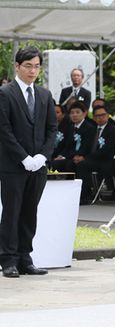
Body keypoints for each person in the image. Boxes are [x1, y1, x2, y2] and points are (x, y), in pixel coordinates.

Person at [0, 47, 57, 278]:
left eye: (36, 66)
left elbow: (52, 129)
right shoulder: (5, 93)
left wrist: (42, 156)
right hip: (13, 165)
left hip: (38, 166)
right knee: (12, 211)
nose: (33, 70)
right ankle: (8, 259)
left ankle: (25, 257)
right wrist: (23, 157)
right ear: (17, 66)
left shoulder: (44, 95)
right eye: (28, 66)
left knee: (30, 212)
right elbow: (4, 130)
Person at [75, 106, 115, 204]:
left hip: (106, 160)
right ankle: (82, 194)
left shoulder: (112, 130)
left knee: (83, 165)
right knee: (77, 163)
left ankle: (85, 196)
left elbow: (107, 150)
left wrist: (85, 158)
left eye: (103, 115)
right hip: (93, 159)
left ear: (107, 116)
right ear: (94, 118)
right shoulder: (92, 129)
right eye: (97, 116)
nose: (100, 117)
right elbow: (86, 146)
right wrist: (80, 155)